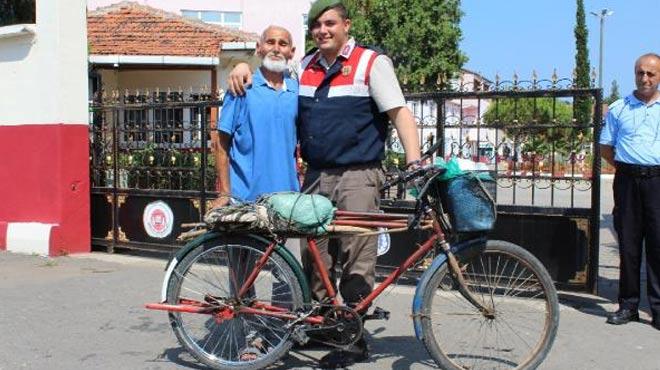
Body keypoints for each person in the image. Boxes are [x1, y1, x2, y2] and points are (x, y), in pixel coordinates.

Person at [228, 1, 421, 367]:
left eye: (330, 23)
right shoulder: (305, 67)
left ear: (346, 25)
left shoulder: (370, 62)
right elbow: (268, 73)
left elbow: (399, 113)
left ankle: (353, 338)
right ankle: (323, 325)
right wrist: (240, 65)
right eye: (316, 25)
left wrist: (414, 160)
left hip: (357, 176)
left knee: (356, 255)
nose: (323, 30)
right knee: (315, 256)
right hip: (315, 175)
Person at [600, 53, 660, 330]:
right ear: (634, 74)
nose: (645, 78)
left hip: (658, 182)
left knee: (658, 246)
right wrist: (628, 166)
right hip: (627, 181)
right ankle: (628, 305)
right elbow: (606, 147)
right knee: (629, 245)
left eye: (651, 73)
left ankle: (658, 309)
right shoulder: (618, 108)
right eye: (640, 73)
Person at [212, 25, 300, 208]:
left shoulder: (298, 92)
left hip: (288, 202)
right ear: (259, 48)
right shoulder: (241, 87)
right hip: (246, 201)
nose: (276, 48)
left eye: (282, 44)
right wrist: (225, 192)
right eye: (270, 42)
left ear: (291, 52)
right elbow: (220, 144)